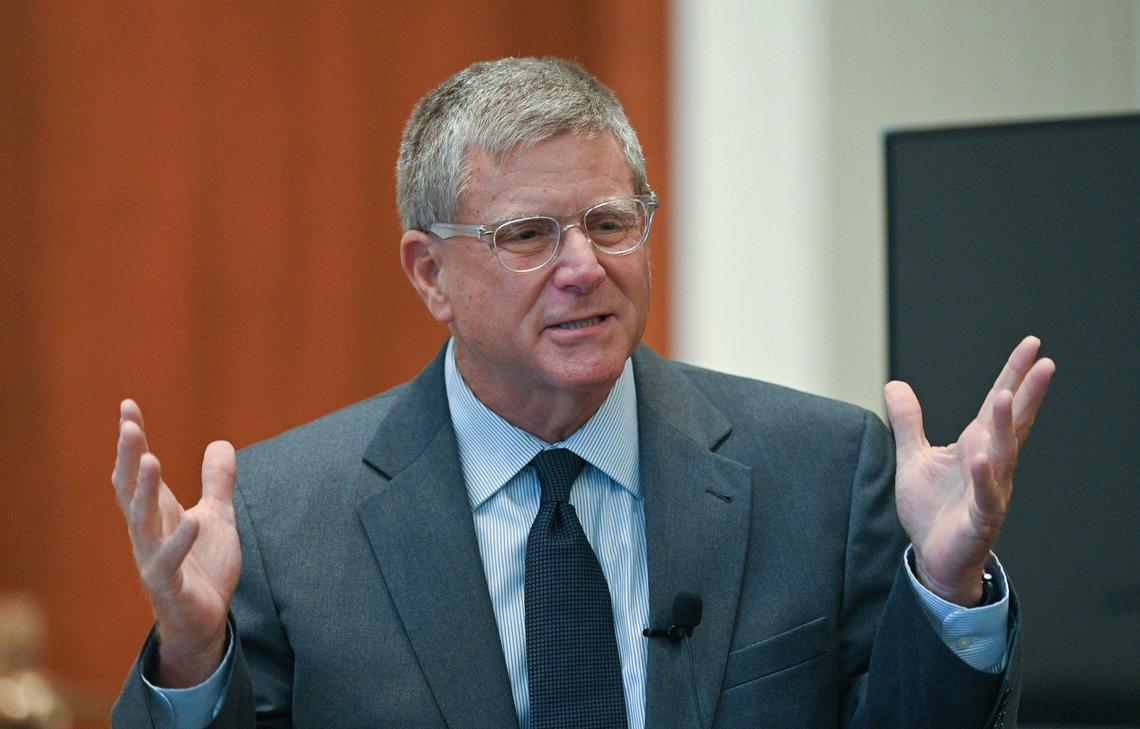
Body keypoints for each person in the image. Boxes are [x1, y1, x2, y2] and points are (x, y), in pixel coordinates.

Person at [110, 57, 1054, 728]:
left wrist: (947, 587)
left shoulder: (818, 469)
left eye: (610, 223)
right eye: (527, 235)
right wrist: (195, 656)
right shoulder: (289, 517)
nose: (584, 268)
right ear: (429, 271)